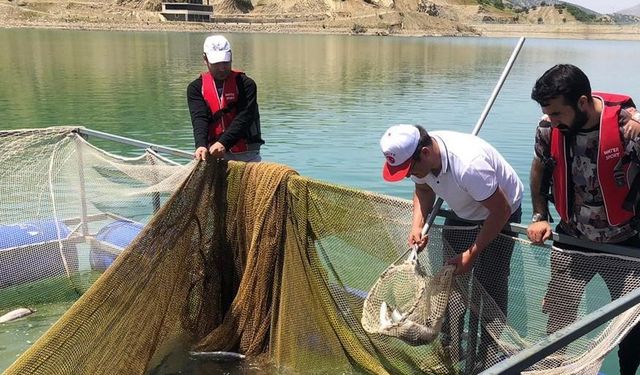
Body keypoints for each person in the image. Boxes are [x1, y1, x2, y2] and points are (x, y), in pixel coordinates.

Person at [379, 124, 524, 369]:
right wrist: (417, 225)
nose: (406, 174)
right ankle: (450, 350)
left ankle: (488, 358)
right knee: (450, 285)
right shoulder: (417, 158)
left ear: (425, 152)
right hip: (463, 211)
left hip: (500, 212)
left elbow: (501, 210)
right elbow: (423, 190)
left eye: (408, 169)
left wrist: (472, 253)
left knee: (490, 287)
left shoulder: (469, 166)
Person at [527, 64, 640, 375]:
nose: (551, 121)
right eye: (547, 113)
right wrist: (539, 215)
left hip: (626, 240)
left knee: (632, 322)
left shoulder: (627, 125)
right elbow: (540, 167)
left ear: (582, 102)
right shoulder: (549, 127)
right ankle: (553, 369)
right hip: (574, 236)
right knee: (557, 314)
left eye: (557, 114)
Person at [187, 35, 264, 162]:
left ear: (231, 56)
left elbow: (245, 117)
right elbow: (199, 119)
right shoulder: (195, 88)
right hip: (213, 152)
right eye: (216, 63)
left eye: (225, 62)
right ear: (205, 59)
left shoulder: (246, 84)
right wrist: (200, 145)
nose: (222, 68)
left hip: (246, 153)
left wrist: (224, 143)